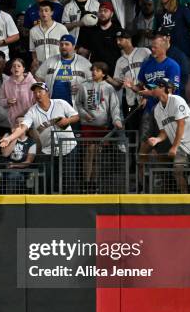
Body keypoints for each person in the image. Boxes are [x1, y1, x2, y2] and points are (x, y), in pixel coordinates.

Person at [146, 77, 190, 194]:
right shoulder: (157, 110)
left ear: (162, 88)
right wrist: (157, 139)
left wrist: (174, 147)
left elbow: (181, 125)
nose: (151, 91)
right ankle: (185, 199)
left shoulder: (177, 100)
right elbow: (164, 132)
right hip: (180, 143)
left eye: (154, 88)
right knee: (177, 171)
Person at [76, 61, 122, 192]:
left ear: (103, 73)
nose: (94, 72)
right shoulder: (83, 86)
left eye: (97, 70)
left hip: (102, 126)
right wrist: (84, 115)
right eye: (93, 70)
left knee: (97, 154)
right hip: (88, 126)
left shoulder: (108, 88)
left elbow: (114, 107)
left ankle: (94, 184)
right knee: (89, 151)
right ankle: (86, 182)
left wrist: (116, 120)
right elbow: (78, 104)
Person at [35, 34, 91, 111]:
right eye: (61, 44)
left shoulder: (84, 63)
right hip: (52, 106)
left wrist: (82, 88)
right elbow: (38, 76)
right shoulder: (50, 60)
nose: (63, 46)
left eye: (67, 44)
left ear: (74, 46)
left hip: (75, 107)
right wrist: (43, 91)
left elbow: (95, 82)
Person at [109, 29, 151, 131]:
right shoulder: (120, 61)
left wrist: (146, 95)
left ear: (129, 39)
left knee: (147, 129)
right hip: (131, 101)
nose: (118, 42)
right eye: (117, 40)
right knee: (133, 129)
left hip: (147, 97)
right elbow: (118, 84)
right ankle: (133, 147)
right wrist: (107, 79)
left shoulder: (144, 51)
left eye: (121, 39)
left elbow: (152, 72)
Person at [76, 1, 122, 76]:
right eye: (100, 11)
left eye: (106, 11)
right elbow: (85, 52)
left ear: (112, 14)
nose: (102, 13)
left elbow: (123, 52)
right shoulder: (91, 31)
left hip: (113, 72)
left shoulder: (118, 31)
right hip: (95, 73)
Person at [1, 116, 37, 193]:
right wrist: (15, 137)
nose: (19, 124)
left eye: (21, 123)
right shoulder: (7, 136)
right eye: (17, 123)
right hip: (6, 168)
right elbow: (5, 154)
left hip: (22, 169)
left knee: (15, 174)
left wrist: (14, 165)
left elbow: (28, 162)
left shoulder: (31, 142)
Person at [29, 0, 69, 70]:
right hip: (41, 68)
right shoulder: (33, 31)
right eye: (41, 11)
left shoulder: (61, 28)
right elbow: (33, 51)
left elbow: (68, 49)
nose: (44, 13)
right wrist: (35, 62)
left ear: (52, 12)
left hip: (59, 67)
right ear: (38, 13)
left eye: (46, 10)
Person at [0, 57, 36, 129]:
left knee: (32, 139)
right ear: (11, 69)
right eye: (14, 66)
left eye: (19, 66)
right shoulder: (6, 83)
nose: (16, 68)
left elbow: (37, 101)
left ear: (23, 69)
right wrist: (7, 101)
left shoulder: (32, 82)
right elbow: (0, 101)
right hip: (14, 121)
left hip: (30, 118)